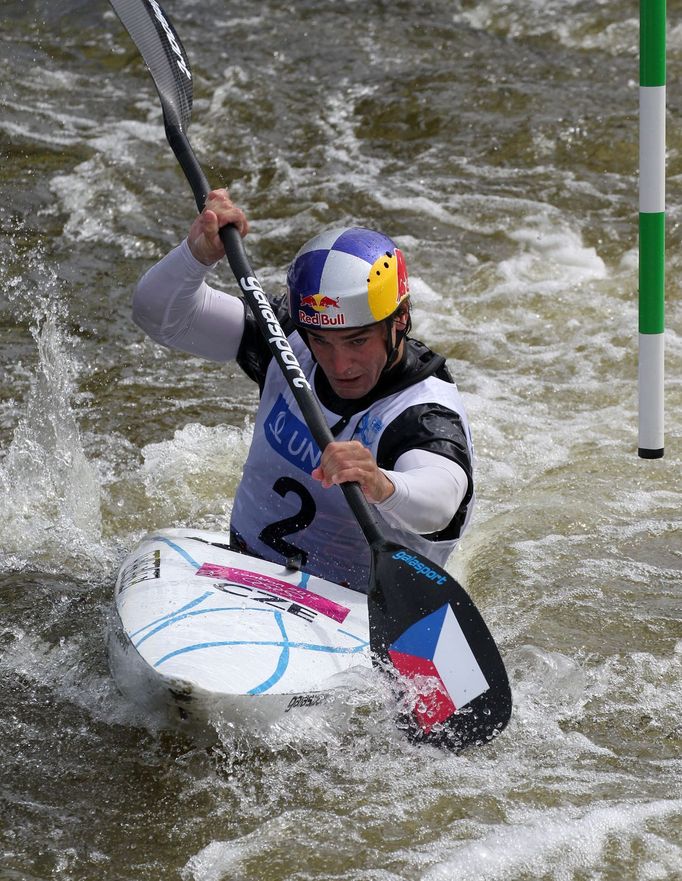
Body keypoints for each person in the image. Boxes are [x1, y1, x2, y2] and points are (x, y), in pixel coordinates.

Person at [132, 189, 474, 591]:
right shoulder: (289, 340)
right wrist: (196, 255)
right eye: (322, 341)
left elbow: (440, 499)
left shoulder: (422, 412)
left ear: (399, 320)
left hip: (357, 617)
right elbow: (158, 315)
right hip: (249, 573)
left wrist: (382, 483)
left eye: (358, 341)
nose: (338, 364)